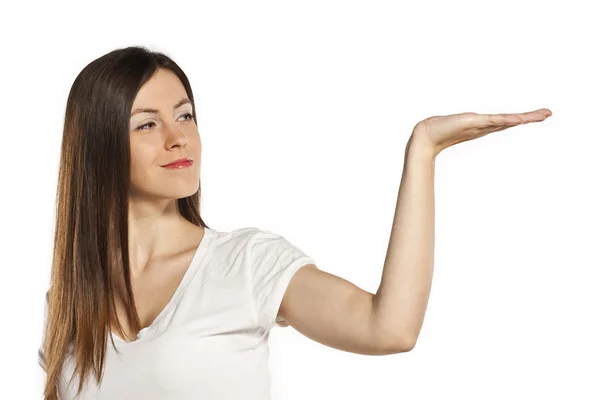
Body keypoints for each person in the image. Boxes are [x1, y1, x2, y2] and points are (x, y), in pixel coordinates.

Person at [38, 45, 552, 399]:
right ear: (97, 149)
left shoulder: (245, 263)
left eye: (186, 115)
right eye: (147, 123)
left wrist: (423, 150)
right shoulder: (70, 296)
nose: (178, 137)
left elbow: (389, 327)